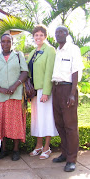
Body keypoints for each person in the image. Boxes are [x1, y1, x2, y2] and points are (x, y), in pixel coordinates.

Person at [0, 34, 28, 161]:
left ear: (12, 42)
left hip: (15, 95)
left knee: (15, 123)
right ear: (0, 43)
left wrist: (15, 85)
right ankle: (3, 149)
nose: (5, 44)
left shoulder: (18, 56)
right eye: (3, 41)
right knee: (2, 123)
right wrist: (0, 88)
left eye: (8, 41)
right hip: (0, 96)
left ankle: (16, 149)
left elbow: (25, 72)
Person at [51, 26, 84, 172]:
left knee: (70, 126)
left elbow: (75, 71)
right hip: (56, 88)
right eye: (56, 32)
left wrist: (72, 93)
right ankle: (64, 153)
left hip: (67, 89)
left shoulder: (73, 49)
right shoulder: (58, 50)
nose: (58, 35)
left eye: (61, 32)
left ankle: (72, 159)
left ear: (67, 34)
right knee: (59, 123)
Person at [27, 25, 58, 160]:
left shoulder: (50, 50)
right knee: (37, 119)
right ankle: (38, 145)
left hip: (44, 91)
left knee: (46, 118)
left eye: (41, 35)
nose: (38, 37)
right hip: (34, 91)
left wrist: (46, 92)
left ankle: (47, 147)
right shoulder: (34, 51)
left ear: (45, 36)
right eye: (36, 35)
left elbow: (49, 72)